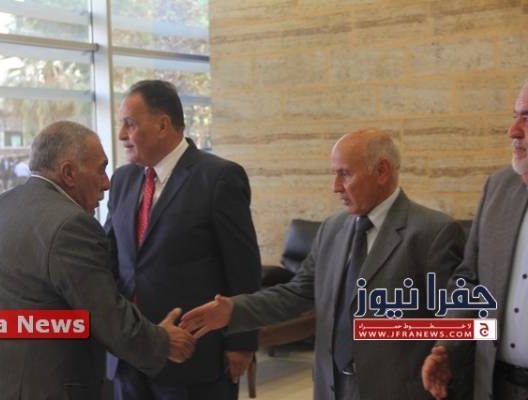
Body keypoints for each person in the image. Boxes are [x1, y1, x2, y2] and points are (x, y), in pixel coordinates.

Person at [181, 128, 467, 400]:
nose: (335, 187)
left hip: (396, 390)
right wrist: (234, 309)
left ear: (382, 171)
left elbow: (455, 320)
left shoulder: (434, 232)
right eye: (334, 174)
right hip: (331, 387)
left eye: (345, 174)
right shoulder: (332, 229)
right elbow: (298, 293)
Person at [0, 121, 196, 400]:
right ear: (68, 173)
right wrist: (163, 342)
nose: (107, 183)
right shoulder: (70, 225)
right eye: (100, 169)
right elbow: (106, 316)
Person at [105, 80, 261, 400]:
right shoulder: (123, 179)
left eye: (130, 124)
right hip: (130, 355)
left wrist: (242, 343)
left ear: (162, 125)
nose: (121, 135)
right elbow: (111, 254)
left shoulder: (218, 177)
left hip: (195, 357)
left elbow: (243, 268)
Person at [422, 81, 528, 400]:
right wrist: (446, 345)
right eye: (516, 116)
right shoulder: (498, 188)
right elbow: (469, 281)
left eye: (527, 118)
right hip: (497, 385)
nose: (513, 131)